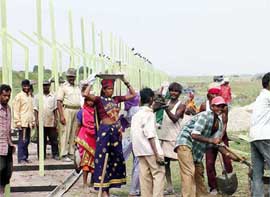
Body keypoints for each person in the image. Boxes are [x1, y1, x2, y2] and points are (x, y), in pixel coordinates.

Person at [83, 76, 136, 197]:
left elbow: (133, 94)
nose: (110, 91)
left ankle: (108, 188)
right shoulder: (98, 99)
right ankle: (103, 190)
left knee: (115, 158)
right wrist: (92, 82)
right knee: (102, 159)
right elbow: (85, 95)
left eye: (112, 89)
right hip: (104, 131)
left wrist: (125, 81)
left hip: (115, 132)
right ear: (103, 89)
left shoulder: (116, 99)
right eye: (108, 89)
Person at [174, 96, 226, 197]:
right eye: (218, 106)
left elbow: (217, 145)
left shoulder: (218, 124)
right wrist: (211, 140)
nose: (220, 108)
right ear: (212, 106)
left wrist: (232, 156)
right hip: (185, 142)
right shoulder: (205, 115)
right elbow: (194, 135)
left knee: (198, 173)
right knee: (189, 172)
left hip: (196, 150)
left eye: (222, 106)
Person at [130, 87, 165, 197]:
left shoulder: (136, 115)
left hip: (139, 151)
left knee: (145, 178)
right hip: (150, 150)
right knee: (158, 174)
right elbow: (150, 135)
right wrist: (157, 154)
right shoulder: (149, 114)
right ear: (151, 99)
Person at [200, 83, 233, 195]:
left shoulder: (224, 106)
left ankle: (230, 181)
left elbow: (224, 123)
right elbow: (201, 123)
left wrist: (220, 137)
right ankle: (213, 186)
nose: (214, 96)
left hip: (221, 137)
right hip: (209, 138)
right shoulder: (204, 106)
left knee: (227, 160)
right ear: (208, 94)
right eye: (212, 93)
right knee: (209, 163)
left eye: (216, 93)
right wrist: (209, 138)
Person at [158, 82, 185, 194]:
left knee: (182, 163)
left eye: (176, 91)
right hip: (164, 137)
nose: (173, 93)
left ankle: (186, 187)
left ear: (179, 93)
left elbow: (174, 118)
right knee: (165, 164)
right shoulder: (167, 102)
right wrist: (160, 91)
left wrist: (166, 109)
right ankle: (169, 187)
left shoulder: (181, 105)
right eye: (172, 90)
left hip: (175, 138)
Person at [249, 72, 270, 197]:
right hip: (265, 136)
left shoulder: (260, 97)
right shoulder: (268, 96)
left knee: (257, 174)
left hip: (254, 137)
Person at [57, 68, 81, 162]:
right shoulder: (63, 87)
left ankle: (71, 152)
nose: (72, 78)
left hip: (77, 110)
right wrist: (61, 115)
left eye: (73, 77)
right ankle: (63, 153)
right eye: (70, 76)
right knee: (65, 132)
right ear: (67, 77)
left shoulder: (77, 87)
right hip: (67, 109)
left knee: (74, 132)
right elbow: (59, 101)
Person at [75, 94, 96, 192]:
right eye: (89, 100)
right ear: (86, 101)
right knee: (85, 162)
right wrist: (76, 137)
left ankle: (92, 182)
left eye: (92, 101)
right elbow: (78, 125)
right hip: (85, 138)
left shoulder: (96, 113)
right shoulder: (81, 112)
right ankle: (84, 183)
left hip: (94, 138)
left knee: (94, 161)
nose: (91, 102)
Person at [34, 80, 59, 160]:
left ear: (49, 86)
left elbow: (55, 109)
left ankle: (55, 154)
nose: (46, 87)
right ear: (42, 86)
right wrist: (36, 120)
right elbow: (36, 109)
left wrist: (56, 119)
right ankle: (41, 155)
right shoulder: (37, 96)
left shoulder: (53, 96)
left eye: (47, 85)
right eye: (44, 85)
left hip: (51, 120)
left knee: (53, 139)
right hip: (42, 121)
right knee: (41, 140)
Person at [13, 79, 35, 164]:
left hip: (28, 122)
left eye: (27, 86)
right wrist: (17, 122)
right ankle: (21, 158)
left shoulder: (29, 96)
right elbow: (16, 110)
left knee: (27, 141)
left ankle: (25, 157)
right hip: (23, 123)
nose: (26, 87)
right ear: (22, 86)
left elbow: (31, 110)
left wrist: (33, 121)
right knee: (22, 141)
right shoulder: (19, 96)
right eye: (24, 86)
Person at [0, 84, 16, 195]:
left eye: (8, 96)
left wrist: (11, 143)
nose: (7, 98)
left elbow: (8, 127)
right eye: (4, 95)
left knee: (8, 172)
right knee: (1, 168)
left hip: (7, 144)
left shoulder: (8, 108)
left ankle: (1, 191)